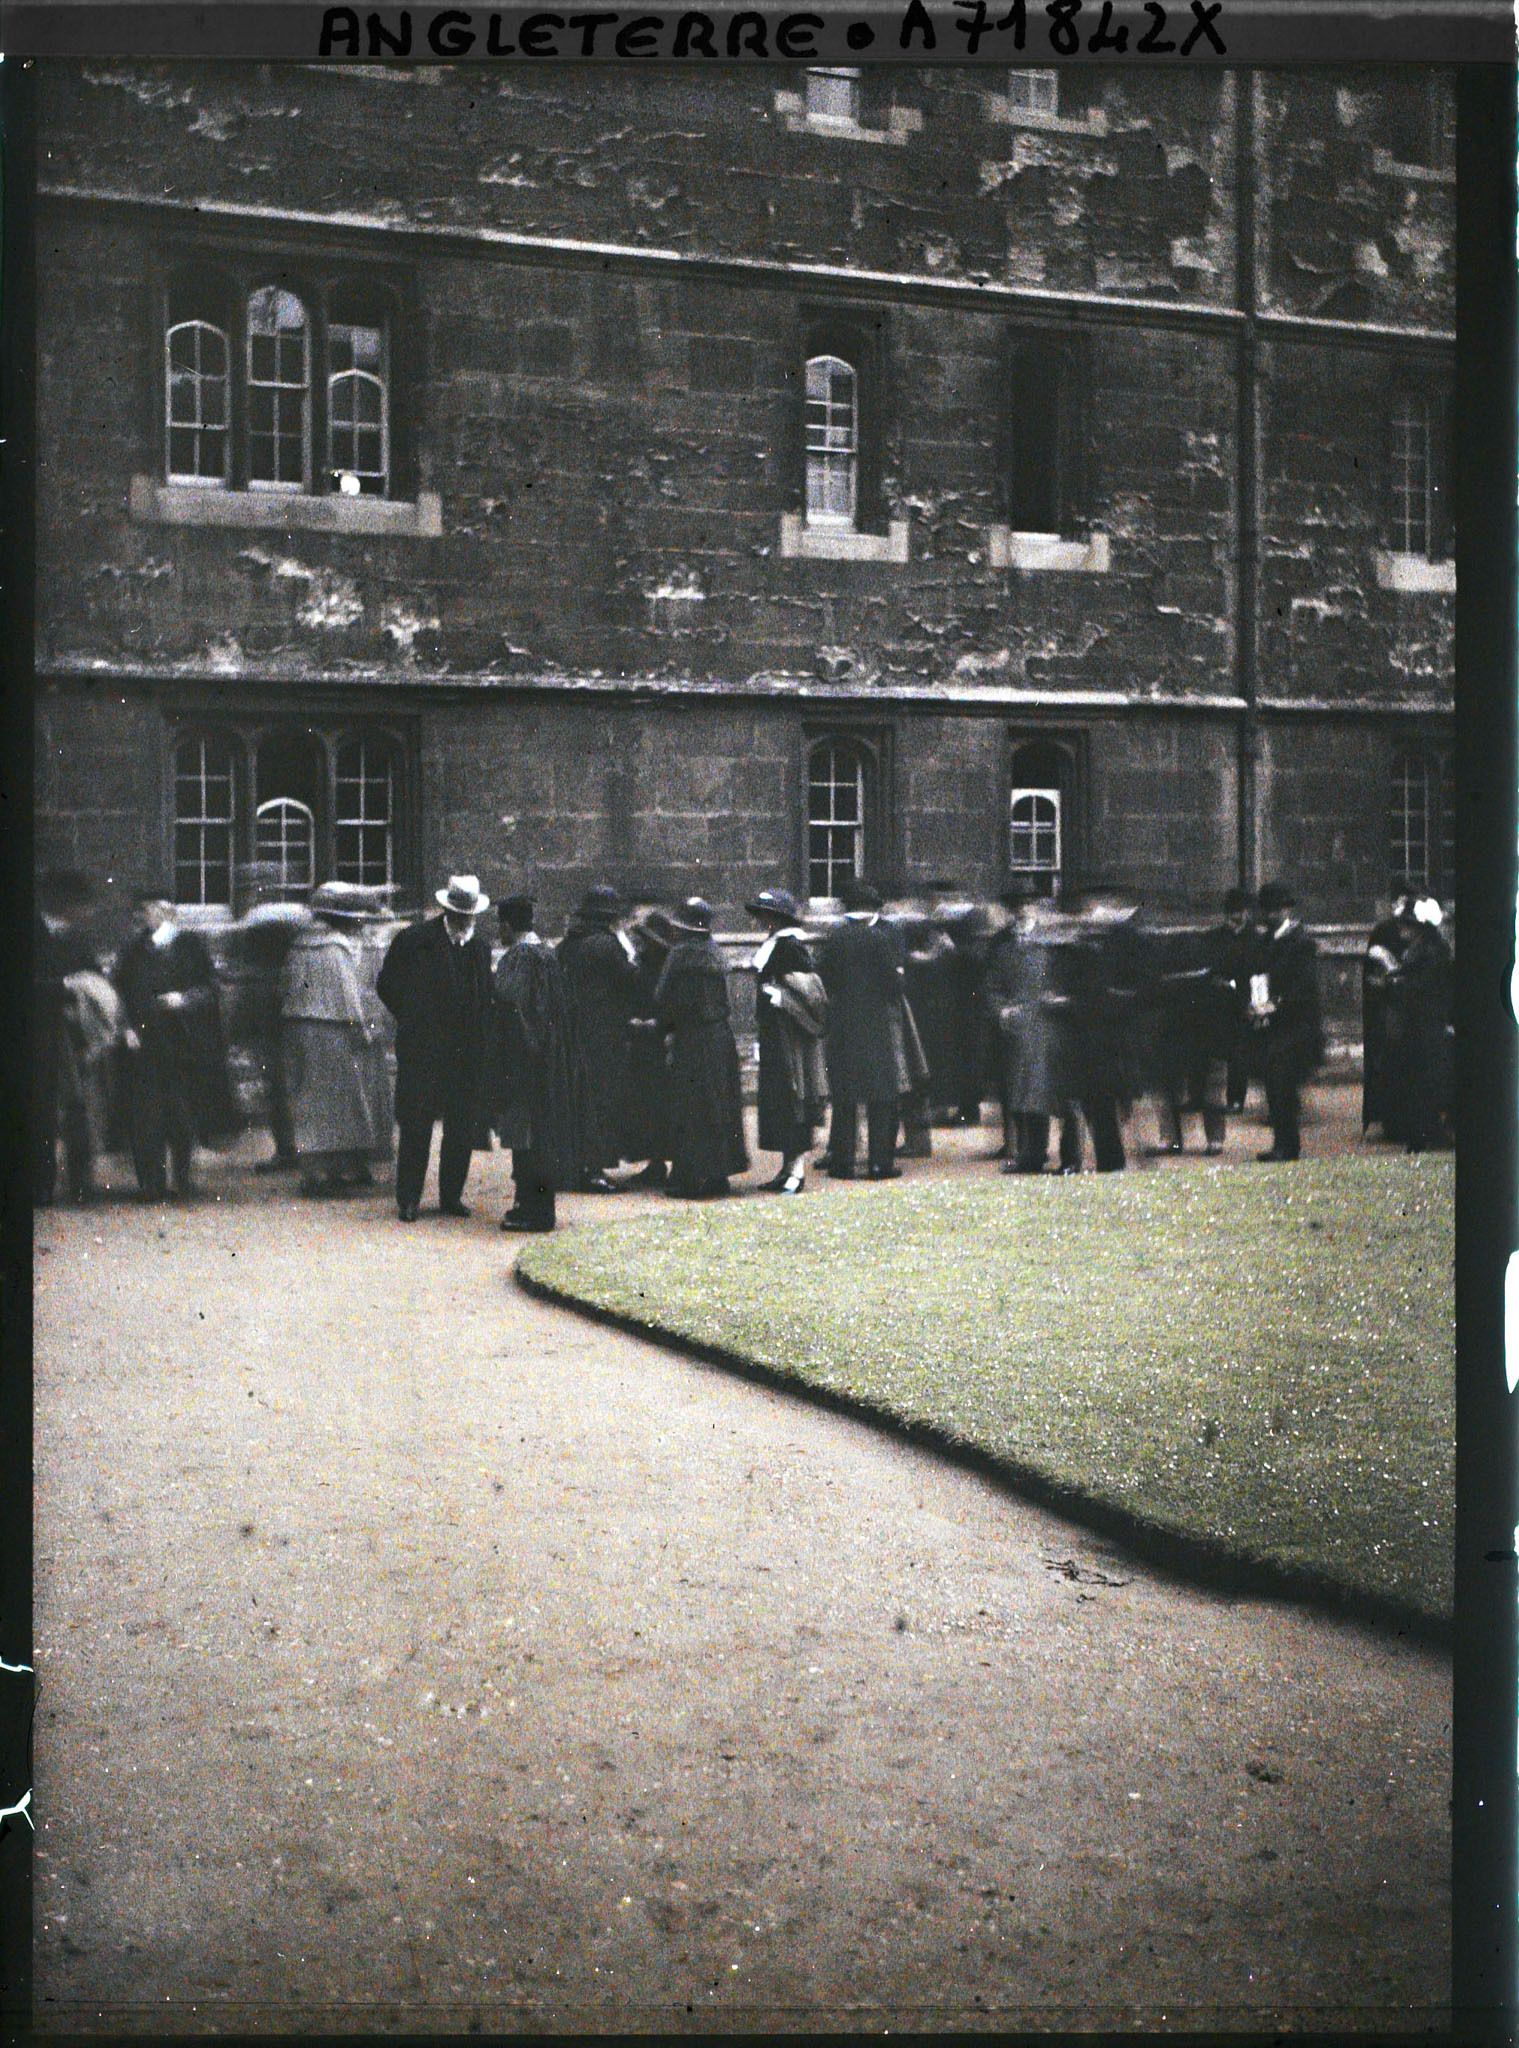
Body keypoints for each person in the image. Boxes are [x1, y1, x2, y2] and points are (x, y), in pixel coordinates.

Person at [376, 873, 494, 1221]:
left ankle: (450, 1196)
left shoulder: (479, 948)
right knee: (417, 1124)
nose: (464, 922)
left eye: (469, 916)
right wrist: (413, 1017)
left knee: (460, 1127)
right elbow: (387, 984)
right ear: (447, 912)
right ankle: (409, 1199)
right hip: (424, 1050)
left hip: (465, 1054)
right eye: (458, 916)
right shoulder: (415, 941)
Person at [112, 891, 237, 1200]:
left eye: (148, 909)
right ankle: (151, 1184)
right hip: (143, 1043)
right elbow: (118, 991)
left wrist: (184, 999)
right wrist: (125, 1027)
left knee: (182, 1114)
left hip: (185, 1042)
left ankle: (182, 1178)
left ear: (166, 912)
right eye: (142, 910)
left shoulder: (191, 946)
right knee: (146, 1117)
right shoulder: (133, 949)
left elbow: (211, 987)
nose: (143, 916)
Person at [278, 881, 393, 1196]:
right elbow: (348, 996)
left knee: (309, 1101)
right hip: (332, 1030)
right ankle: (330, 1170)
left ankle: (316, 1170)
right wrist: (363, 1029)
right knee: (337, 1104)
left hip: (298, 1027)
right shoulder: (336, 949)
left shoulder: (300, 944)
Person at [493, 893, 581, 1232]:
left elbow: (509, 1008)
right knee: (543, 1134)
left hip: (526, 1060)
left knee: (528, 1137)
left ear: (506, 925)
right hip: (551, 1056)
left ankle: (533, 1209)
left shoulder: (518, 960)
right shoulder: (548, 954)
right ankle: (536, 1205)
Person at [653, 898, 749, 1198]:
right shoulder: (716, 955)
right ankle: (719, 1174)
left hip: (691, 1039)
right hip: (719, 1036)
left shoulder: (679, 956)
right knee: (719, 1105)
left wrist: (664, 1028)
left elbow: (662, 998)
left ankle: (689, 1178)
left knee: (689, 1107)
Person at [985, 891, 1085, 1174]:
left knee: (1063, 1098)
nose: (1023, 912)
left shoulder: (1058, 944)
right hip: (1022, 1032)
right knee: (1028, 1096)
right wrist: (1002, 1010)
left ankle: (1071, 1159)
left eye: (1029, 905)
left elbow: (1077, 981)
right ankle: (1033, 1155)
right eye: (1018, 906)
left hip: (1056, 1029)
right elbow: (992, 987)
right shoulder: (1004, 948)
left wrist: (1064, 999)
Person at [819, 876, 909, 1181]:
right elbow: (895, 985)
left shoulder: (834, 938)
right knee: (880, 1097)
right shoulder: (880, 939)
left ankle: (842, 1163)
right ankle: (879, 1163)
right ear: (871, 909)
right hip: (876, 1026)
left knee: (845, 1096)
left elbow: (824, 980)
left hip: (843, 1026)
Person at [558, 883, 640, 1193]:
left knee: (578, 1099)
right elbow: (630, 981)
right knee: (601, 1100)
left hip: (574, 1033)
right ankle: (594, 1168)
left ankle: (577, 1164)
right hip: (604, 1035)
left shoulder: (569, 944)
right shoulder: (607, 945)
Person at [747, 888, 828, 1195]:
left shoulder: (791, 947)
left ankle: (796, 1171)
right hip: (775, 1035)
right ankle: (786, 1169)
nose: (762, 921)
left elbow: (811, 994)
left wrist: (782, 999)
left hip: (792, 1038)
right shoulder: (776, 945)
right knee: (782, 1101)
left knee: (795, 1098)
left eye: (767, 915)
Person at [1248, 879, 1323, 1163]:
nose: (1268, 916)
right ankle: (1281, 1143)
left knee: (1283, 1087)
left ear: (1285, 910)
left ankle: (1288, 1146)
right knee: (1274, 1087)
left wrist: (1275, 1005)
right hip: (1273, 1025)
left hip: (1295, 1026)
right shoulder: (1267, 940)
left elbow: (1303, 989)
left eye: (1274, 910)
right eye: (1266, 910)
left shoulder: (1300, 942)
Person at [1384, 895, 1453, 1155]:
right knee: (1418, 1081)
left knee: (1423, 1082)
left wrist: (1396, 983)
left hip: (1426, 1025)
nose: (1402, 930)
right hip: (1417, 1025)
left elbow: (1425, 988)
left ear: (1419, 928)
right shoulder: (1419, 950)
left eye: (1407, 925)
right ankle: (1421, 1133)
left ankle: (1421, 1136)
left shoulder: (1432, 952)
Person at [622, 906, 679, 1190]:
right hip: (643, 1046)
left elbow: (674, 1005)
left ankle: (669, 1161)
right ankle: (654, 1162)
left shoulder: (669, 966)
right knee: (645, 1105)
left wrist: (658, 1023)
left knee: (666, 1105)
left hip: (662, 1044)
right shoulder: (640, 966)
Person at [1362, 880, 1416, 1141]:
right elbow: (1371, 975)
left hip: (1407, 1009)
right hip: (1387, 1010)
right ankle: (1390, 1120)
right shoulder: (1383, 930)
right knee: (1388, 1065)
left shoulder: (1417, 931)